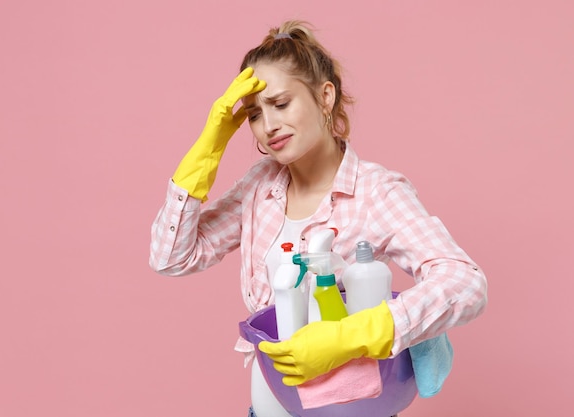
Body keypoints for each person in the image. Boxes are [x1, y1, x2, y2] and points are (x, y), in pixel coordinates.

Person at [149, 20, 487, 417]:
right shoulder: (260, 188)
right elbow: (171, 258)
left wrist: (353, 336)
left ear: (325, 97)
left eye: (281, 104)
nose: (268, 125)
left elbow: (465, 283)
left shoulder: (375, 192)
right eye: (254, 114)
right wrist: (207, 149)